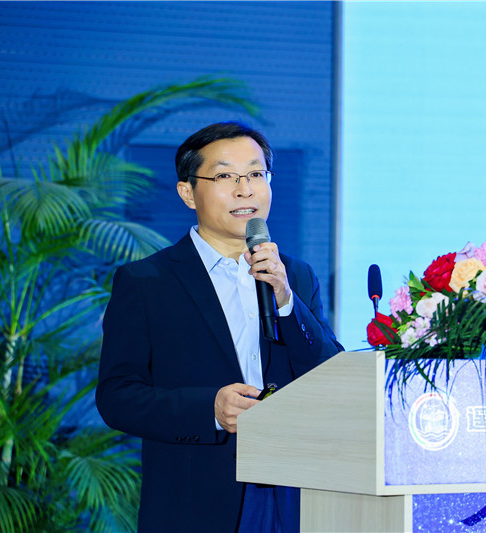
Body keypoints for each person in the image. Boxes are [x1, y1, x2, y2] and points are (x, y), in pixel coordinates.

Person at [96, 122, 343, 533]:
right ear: (188, 192)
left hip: (294, 491)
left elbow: (330, 377)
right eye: (226, 176)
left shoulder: (295, 276)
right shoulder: (146, 282)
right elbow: (117, 397)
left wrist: (286, 302)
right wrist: (208, 409)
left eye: (256, 174)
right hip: (198, 499)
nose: (245, 190)